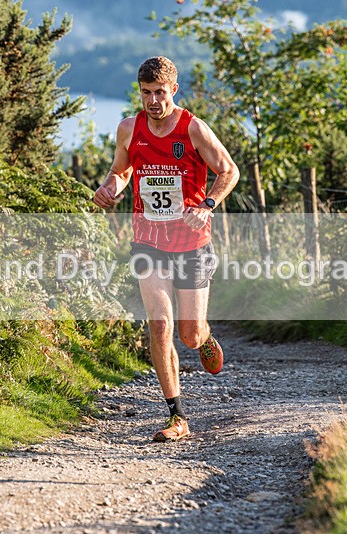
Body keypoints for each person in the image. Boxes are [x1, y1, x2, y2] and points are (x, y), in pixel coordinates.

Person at [93, 56, 239, 442]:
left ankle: (205, 337)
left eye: (160, 93)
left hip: (192, 243)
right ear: (139, 92)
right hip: (147, 241)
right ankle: (177, 416)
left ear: (173, 90)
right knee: (159, 325)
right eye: (146, 93)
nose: (153, 101)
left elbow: (229, 170)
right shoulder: (129, 128)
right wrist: (110, 189)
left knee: (189, 334)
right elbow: (121, 171)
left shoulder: (193, 128)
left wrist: (206, 206)